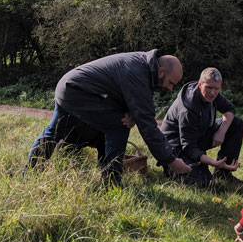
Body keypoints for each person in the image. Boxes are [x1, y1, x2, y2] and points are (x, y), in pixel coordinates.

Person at [22, 49, 192, 185]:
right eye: (170, 83)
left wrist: (133, 112)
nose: (170, 89)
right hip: (79, 91)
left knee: (55, 132)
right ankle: (111, 183)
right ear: (161, 71)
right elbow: (147, 124)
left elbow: (124, 93)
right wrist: (169, 160)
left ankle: (28, 176)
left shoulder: (142, 65)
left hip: (68, 87)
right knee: (119, 126)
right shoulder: (139, 73)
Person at [160, 68, 243, 187]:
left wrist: (221, 131)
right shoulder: (188, 109)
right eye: (209, 88)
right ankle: (172, 170)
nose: (213, 93)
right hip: (177, 147)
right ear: (200, 85)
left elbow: (229, 109)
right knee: (205, 184)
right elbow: (189, 147)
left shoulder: (213, 95)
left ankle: (224, 173)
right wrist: (214, 163)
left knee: (236, 123)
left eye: (216, 89)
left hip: (198, 136)